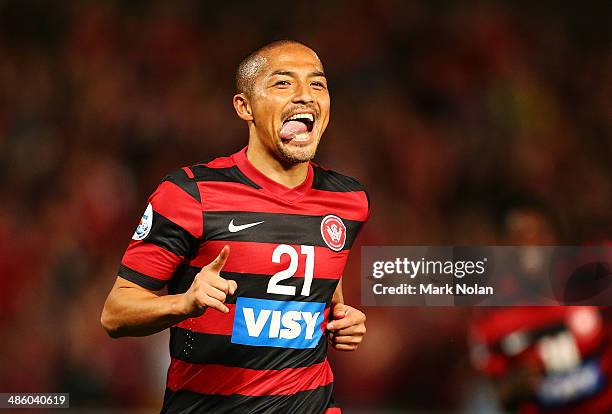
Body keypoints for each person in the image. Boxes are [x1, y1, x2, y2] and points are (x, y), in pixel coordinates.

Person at [101, 40, 370, 413]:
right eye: (283, 83)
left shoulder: (348, 200)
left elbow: (325, 296)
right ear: (245, 107)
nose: (305, 96)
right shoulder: (189, 194)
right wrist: (184, 303)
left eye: (317, 84)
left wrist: (344, 320)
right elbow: (115, 314)